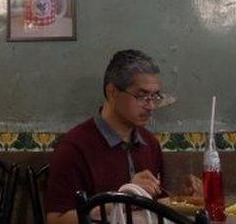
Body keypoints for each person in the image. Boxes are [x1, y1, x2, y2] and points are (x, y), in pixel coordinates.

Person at [44, 50, 173, 224]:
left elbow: (158, 205)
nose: (150, 106)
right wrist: (121, 200)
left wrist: (188, 200)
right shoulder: (73, 148)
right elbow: (56, 220)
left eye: (155, 96)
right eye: (142, 95)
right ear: (112, 92)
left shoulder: (149, 143)